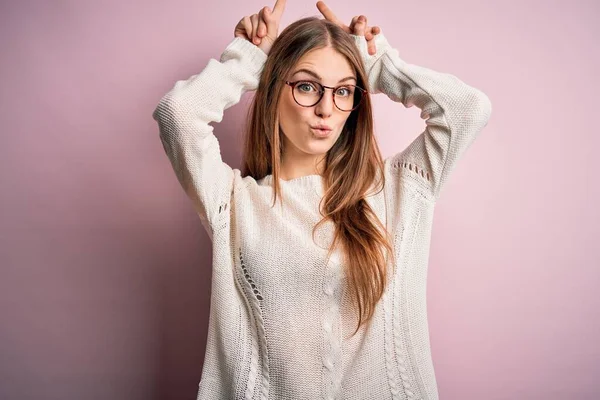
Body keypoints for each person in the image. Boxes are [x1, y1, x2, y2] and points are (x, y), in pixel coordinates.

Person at [152, 0, 492, 398]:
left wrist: (380, 67)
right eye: (307, 86)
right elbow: (177, 114)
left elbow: (468, 109)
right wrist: (247, 60)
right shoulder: (233, 203)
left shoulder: (400, 190)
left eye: (344, 90)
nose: (326, 110)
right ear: (272, 87)